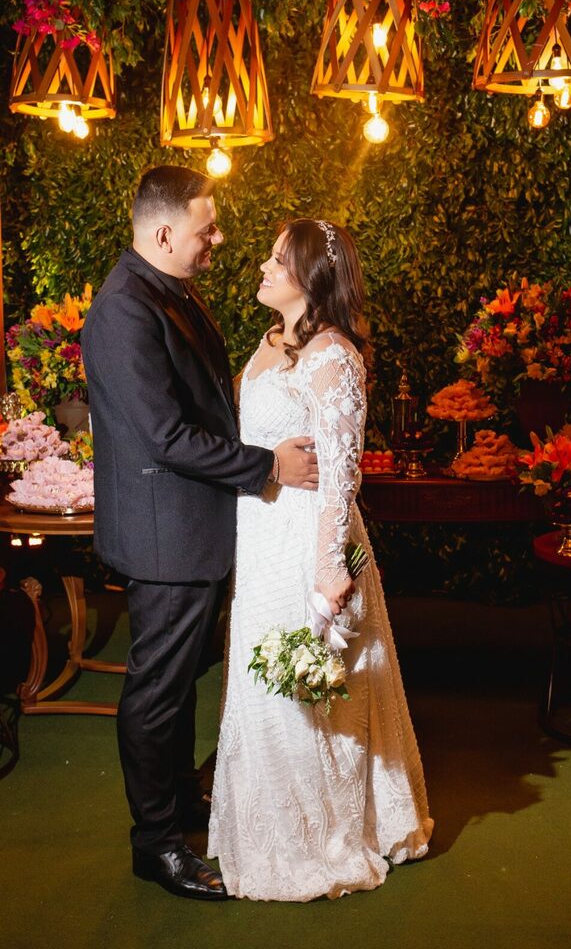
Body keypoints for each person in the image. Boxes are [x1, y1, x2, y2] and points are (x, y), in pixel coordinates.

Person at [81, 166, 318, 902]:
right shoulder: (124, 310)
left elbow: (208, 401)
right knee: (157, 691)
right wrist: (267, 465)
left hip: (191, 527)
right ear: (163, 234)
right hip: (166, 536)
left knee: (179, 682)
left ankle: (181, 803)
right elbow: (165, 436)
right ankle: (156, 846)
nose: (217, 239)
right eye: (205, 229)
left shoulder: (170, 289)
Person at [208, 218, 434, 901]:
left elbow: (341, 475)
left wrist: (331, 568)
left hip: (306, 538)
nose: (264, 267)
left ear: (310, 278)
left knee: (309, 684)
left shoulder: (333, 354)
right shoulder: (269, 341)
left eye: (279, 260)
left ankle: (322, 834)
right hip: (260, 533)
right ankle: (266, 825)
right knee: (263, 679)